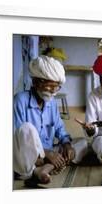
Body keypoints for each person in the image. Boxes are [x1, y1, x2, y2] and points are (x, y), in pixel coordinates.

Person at [13, 56, 88, 184]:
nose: (54, 92)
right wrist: (46, 153)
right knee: (27, 128)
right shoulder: (20, 100)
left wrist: (67, 145)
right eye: (50, 86)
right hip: (28, 157)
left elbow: (59, 128)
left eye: (57, 87)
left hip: (50, 152)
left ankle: (44, 169)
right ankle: (37, 167)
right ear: (36, 82)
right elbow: (17, 138)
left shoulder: (51, 102)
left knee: (82, 143)